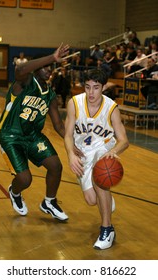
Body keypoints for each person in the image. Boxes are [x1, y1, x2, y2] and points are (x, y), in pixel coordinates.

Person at [0, 43, 70, 221]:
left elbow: (58, 125)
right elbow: (20, 68)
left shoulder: (50, 94)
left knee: (55, 166)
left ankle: (49, 202)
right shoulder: (24, 82)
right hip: (10, 135)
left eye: (50, 68)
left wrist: (73, 142)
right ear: (36, 67)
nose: (48, 70)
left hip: (33, 137)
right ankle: (15, 191)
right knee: (25, 180)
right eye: (44, 66)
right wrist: (52, 57)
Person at [64, 68, 129, 250]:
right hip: (82, 151)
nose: (91, 93)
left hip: (103, 148)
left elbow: (124, 140)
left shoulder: (111, 108)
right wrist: (70, 153)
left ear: (103, 87)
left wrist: (114, 151)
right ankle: (106, 199)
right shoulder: (74, 103)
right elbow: (68, 135)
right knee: (92, 200)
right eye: (87, 87)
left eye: (96, 87)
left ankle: (107, 229)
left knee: (100, 177)